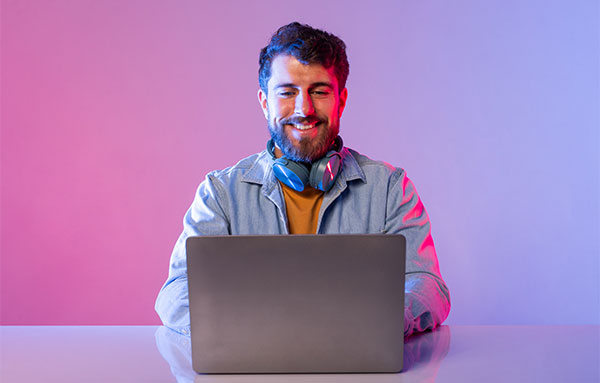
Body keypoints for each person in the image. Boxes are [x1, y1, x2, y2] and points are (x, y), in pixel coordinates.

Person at [155, 22, 450, 337]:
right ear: (265, 102)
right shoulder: (220, 193)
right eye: (287, 92)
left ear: (341, 100)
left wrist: (377, 321)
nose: (303, 108)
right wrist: (257, 329)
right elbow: (175, 293)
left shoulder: (390, 188)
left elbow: (428, 286)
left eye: (319, 92)